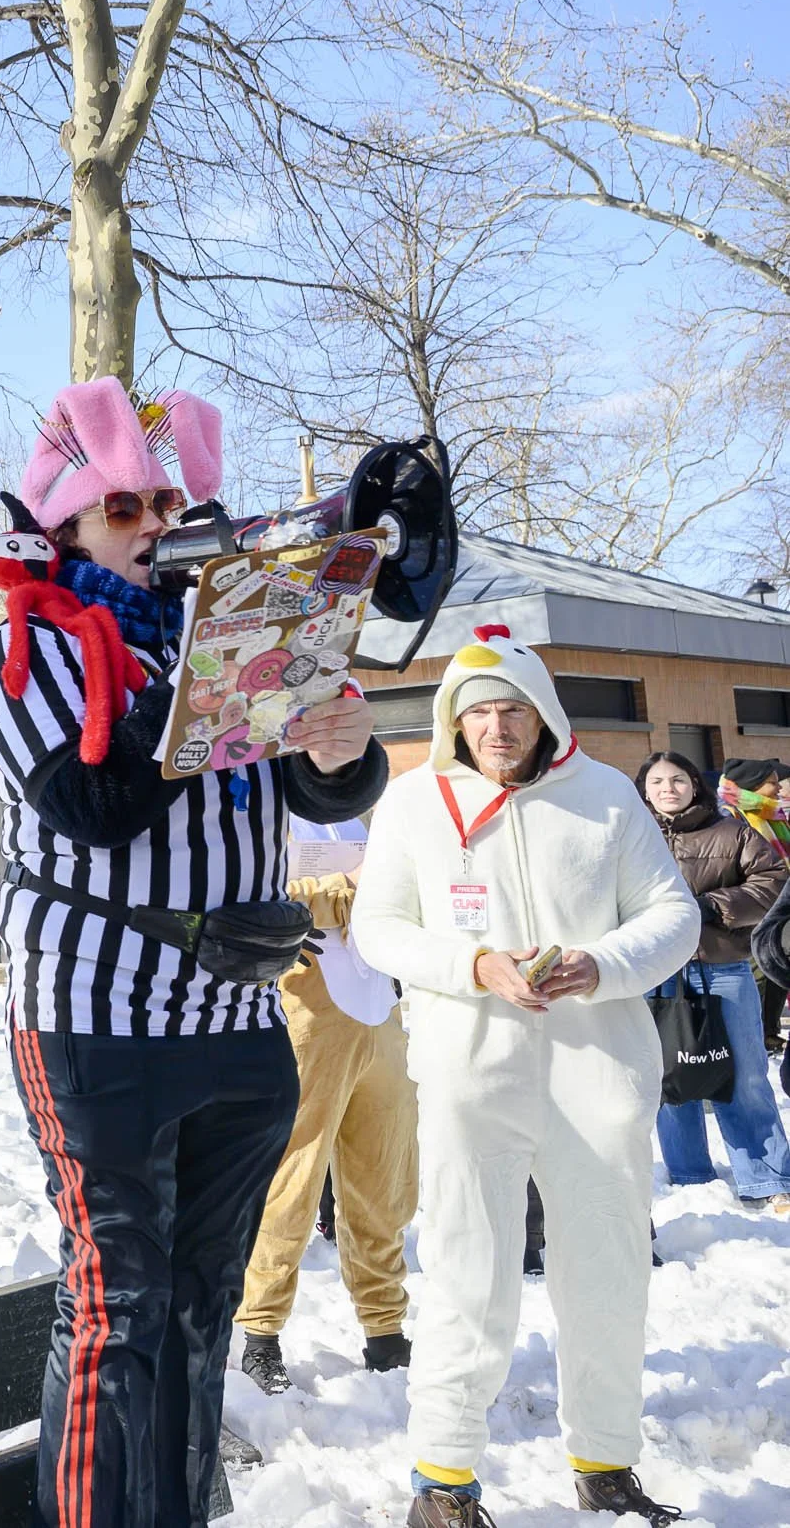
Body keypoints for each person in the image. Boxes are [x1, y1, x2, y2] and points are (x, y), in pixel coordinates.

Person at [0, 378, 389, 1528]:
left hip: (242, 1022)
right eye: (122, 509)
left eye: (165, 501)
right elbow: (90, 805)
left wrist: (346, 742)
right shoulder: (30, 646)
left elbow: (323, 784)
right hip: (98, 1018)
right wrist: (213, 688)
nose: (154, 525)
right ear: (63, 526)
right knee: (118, 1299)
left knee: (201, 1305)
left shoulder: (246, 622)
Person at [352, 626, 701, 1528]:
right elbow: (378, 928)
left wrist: (601, 964)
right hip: (472, 1076)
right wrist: (473, 965)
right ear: (451, 722)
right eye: (476, 714)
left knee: (609, 1271)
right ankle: (445, 1482)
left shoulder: (607, 797)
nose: (495, 728)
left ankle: (605, 1464)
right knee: (470, 1273)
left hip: (599, 1078)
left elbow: (674, 914)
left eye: (512, 710)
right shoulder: (413, 802)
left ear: (542, 712)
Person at [235, 817, 417, 1395]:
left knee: (384, 1183)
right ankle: (259, 1334)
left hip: (379, 1008)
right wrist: (353, 888)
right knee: (291, 1179)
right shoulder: (261, 807)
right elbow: (257, 901)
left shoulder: (356, 812)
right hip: (306, 1015)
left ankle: (386, 1329)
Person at [636, 751, 790, 1211]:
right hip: (655, 972)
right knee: (671, 1077)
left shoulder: (733, 831)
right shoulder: (629, 836)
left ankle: (767, 1176)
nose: (668, 789)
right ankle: (689, 1175)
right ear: (643, 789)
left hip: (722, 968)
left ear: (695, 784)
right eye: (658, 781)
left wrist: (713, 906)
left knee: (744, 1075)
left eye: (678, 780)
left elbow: (773, 881)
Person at [720, 758, 789, 1053]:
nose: (778, 789)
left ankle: (769, 1031)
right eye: (772, 782)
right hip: (748, 905)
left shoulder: (773, 815)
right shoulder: (731, 814)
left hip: (777, 902)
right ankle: (754, 1035)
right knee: (758, 972)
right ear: (754, 786)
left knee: (777, 967)